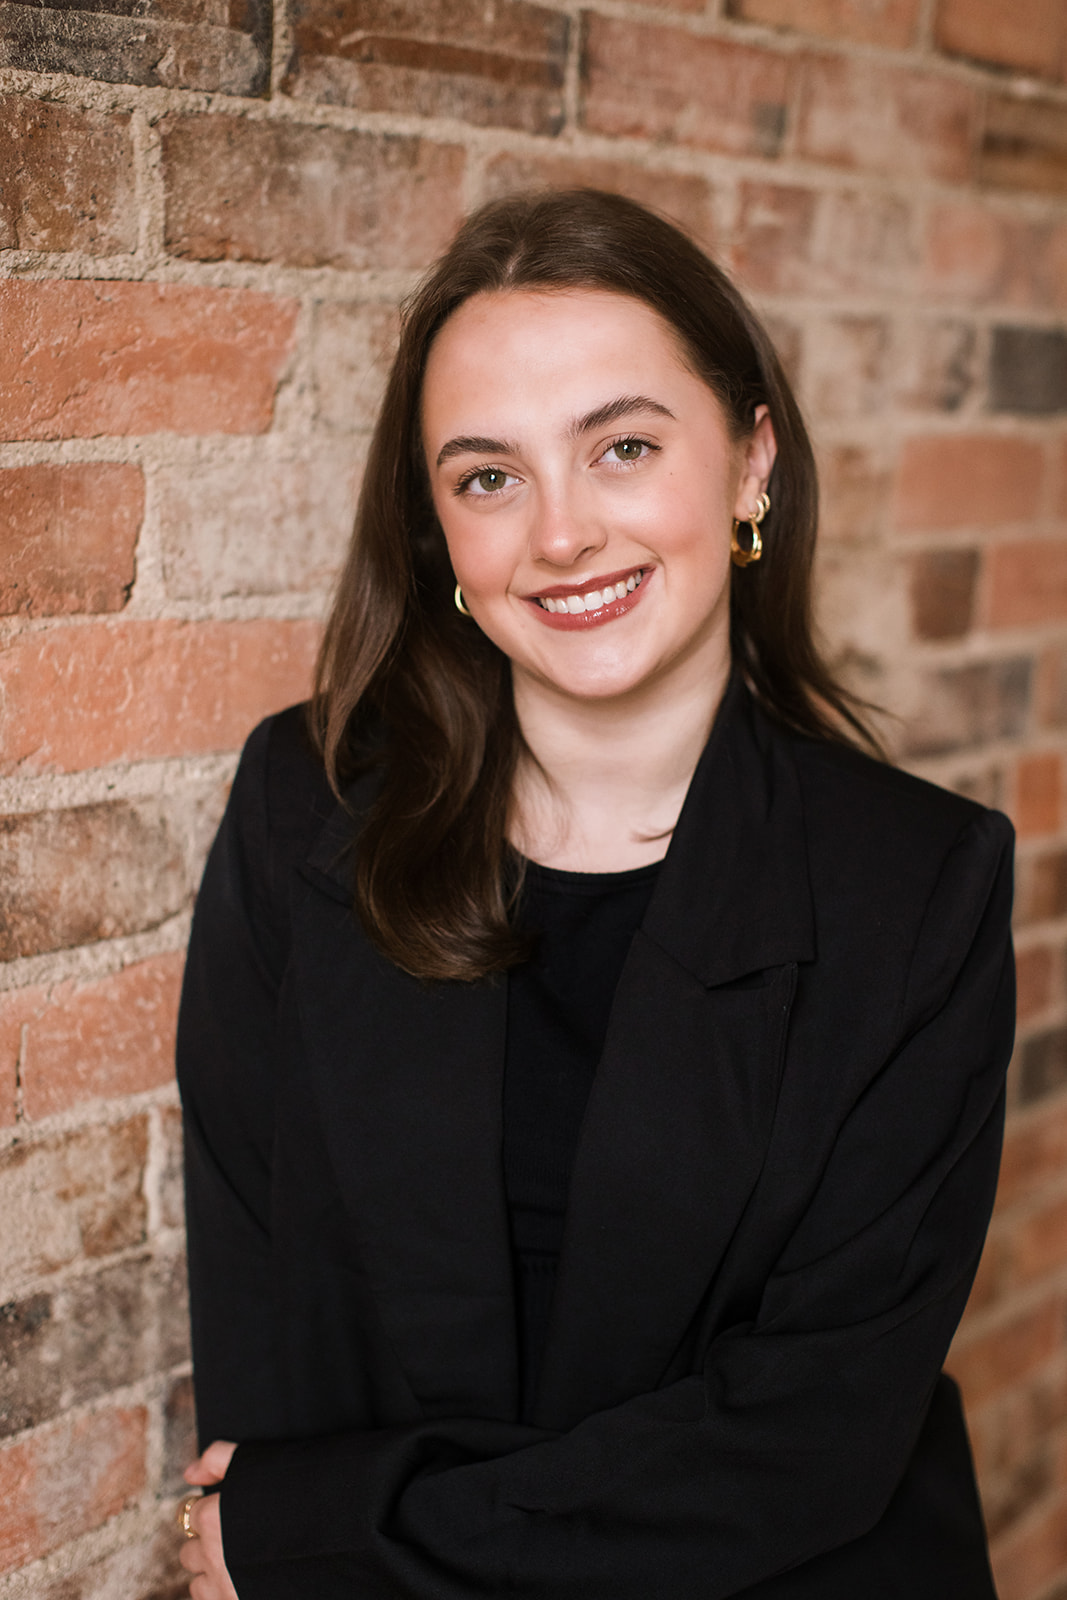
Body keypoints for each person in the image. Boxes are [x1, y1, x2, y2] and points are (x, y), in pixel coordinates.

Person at [175, 189, 1014, 1600]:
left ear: (751, 462)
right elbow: (271, 1313)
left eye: (623, 447)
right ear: (438, 531)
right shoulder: (303, 806)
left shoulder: (919, 885)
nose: (562, 536)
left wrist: (324, 1548)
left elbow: (804, 1442)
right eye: (488, 477)